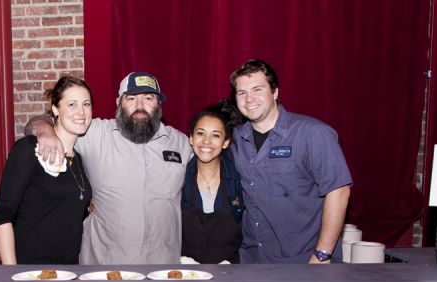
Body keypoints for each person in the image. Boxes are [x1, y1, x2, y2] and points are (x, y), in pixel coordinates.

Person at [27, 72, 192, 264]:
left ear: (159, 104)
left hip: (163, 271)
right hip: (103, 272)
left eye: (148, 98)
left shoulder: (180, 143)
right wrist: (47, 133)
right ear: (118, 103)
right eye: (131, 98)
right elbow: (36, 124)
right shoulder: (94, 134)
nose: (140, 106)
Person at [229, 59, 352, 264]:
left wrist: (322, 254)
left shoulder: (312, 134)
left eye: (257, 89)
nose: (249, 98)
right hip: (252, 262)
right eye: (241, 92)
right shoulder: (234, 140)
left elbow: (339, 191)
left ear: (275, 92)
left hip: (305, 263)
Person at [0, 76, 93, 264]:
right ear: (55, 109)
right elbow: (3, 214)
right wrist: (10, 274)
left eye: (86, 104)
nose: (81, 111)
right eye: (72, 104)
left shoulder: (79, 160)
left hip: (70, 274)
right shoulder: (29, 148)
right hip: (30, 273)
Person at [181, 102, 244, 263]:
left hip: (231, 273)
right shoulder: (178, 176)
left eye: (215, 135)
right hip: (186, 273)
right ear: (191, 138)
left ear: (225, 142)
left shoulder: (239, 177)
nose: (207, 141)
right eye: (200, 133)